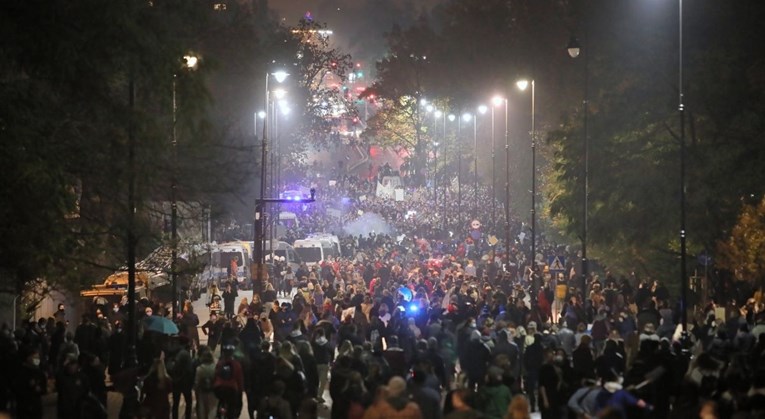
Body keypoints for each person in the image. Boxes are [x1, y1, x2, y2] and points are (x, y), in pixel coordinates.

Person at [14, 346, 47, 419]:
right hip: (24, 408)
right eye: (34, 357)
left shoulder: (40, 373)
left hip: (36, 407)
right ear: (28, 358)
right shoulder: (21, 373)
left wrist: (40, 389)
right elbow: (17, 390)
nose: (37, 360)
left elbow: (44, 389)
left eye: (37, 357)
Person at [213, 344, 244, 419]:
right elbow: (239, 379)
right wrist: (240, 390)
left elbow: (215, 375)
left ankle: (218, 414)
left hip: (219, 388)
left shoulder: (220, 363)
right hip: (231, 389)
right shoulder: (236, 364)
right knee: (232, 407)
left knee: (221, 400)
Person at [168, 337, 194, 419]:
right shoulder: (183, 353)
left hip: (178, 381)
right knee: (188, 403)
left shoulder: (180, 353)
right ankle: (187, 417)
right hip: (184, 382)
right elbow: (189, 369)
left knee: (176, 403)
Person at [194, 346, 217, 419]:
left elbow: (196, 382)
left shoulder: (200, 369)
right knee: (212, 409)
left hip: (202, 392)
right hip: (213, 392)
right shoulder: (215, 367)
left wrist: (195, 389)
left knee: (203, 410)